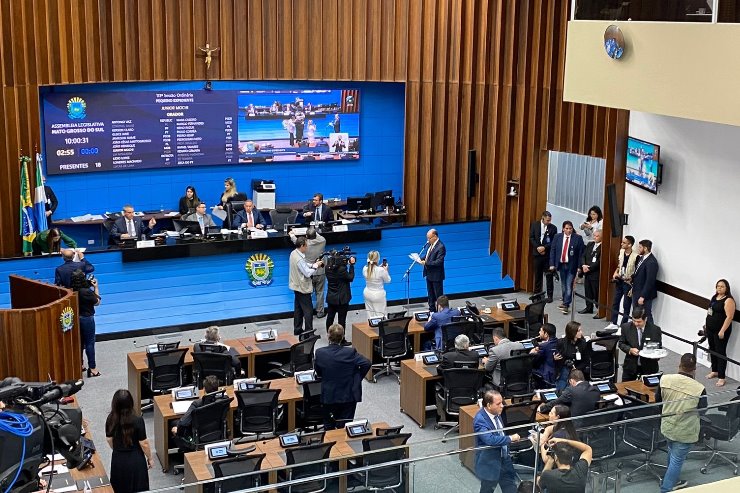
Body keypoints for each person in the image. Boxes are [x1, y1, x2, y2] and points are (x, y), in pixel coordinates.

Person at [657, 353, 707, 492]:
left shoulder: (665, 379)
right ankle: (666, 488)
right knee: (677, 460)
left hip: (667, 425)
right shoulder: (699, 388)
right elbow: (703, 410)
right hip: (685, 431)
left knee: (672, 453)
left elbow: (658, 401)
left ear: (679, 364)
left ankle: (674, 480)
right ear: (694, 368)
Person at [314, 324, 371, 429]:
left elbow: (318, 372)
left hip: (329, 396)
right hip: (348, 396)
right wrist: (357, 378)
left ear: (328, 336)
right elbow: (366, 363)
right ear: (342, 336)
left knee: (328, 426)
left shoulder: (320, 353)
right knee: (344, 427)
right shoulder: (350, 352)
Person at [473, 390, 521, 493]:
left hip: (505, 458)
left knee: (510, 487)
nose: (502, 406)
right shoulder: (480, 420)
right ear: (489, 405)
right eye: (498, 404)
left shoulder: (496, 412)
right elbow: (489, 440)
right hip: (490, 462)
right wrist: (510, 439)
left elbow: (500, 433)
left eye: (502, 402)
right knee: (487, 490)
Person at [105, 389, 152, 493]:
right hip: (136, 459)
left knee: (119, 487)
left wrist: (117, 448)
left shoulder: (110, 418)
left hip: (118, 459)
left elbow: (109, 439)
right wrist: (150, 458)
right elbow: (144, 443)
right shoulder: (137, 419)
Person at [289, 227, 327, 318]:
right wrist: (313, 229)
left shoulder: (305, 244)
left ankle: (307, 312)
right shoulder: (322, 241)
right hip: (320, 271)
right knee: (320, 292)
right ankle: (320, 312)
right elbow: (316, 234)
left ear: (306, 236)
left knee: (307, 294)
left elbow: (295, 241)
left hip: (308, 272)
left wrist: (291, 234)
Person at [549, 221, 585, 315]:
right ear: (563, 229)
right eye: (567, 228)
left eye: (570, 228)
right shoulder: (557, 237)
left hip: (571, 265)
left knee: (569, 285)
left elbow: (580, 254)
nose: (568, 230)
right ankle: (565, 300)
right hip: (561, 264)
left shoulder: (578, 238)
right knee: (563, 284)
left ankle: (566, 304)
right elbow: (553, 250)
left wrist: (579, 266)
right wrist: (552, 264)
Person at [704, 279, 734, 387]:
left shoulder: (729, 300)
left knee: (720, 352)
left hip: (721, 331)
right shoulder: (714, 297)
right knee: (712, 349)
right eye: (718, 286)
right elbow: (709, 312)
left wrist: (722, 331)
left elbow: (729, 317)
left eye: (722, 286)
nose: (719, 288)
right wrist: (706, 326)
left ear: (726, 288)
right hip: (710, 329)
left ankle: (722, 377)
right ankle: (714, 370)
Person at [70, 269, 101, 377]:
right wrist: (96, 287)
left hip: (75, 319)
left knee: (79, 342)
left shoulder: (71, 290)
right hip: (87, 319)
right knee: (89, 343)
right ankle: (92, 368)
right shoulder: (86, 291)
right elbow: (97, 302)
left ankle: (80, 365)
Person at [618, 306, 662, 381]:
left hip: (649, 367)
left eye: (639, 322)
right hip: (630, 366)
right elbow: (621, 343)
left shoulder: (655, 330)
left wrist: (656, 355)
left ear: (645, 319)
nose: (636, 324)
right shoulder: (626, 327)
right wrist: (630, 349)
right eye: (634, 320)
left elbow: (658, 347)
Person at [289, 237, 322, 336]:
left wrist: (312, 264)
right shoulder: (299, 259)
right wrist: (316, 266)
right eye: (306, 245)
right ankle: (309, 332)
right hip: (303, 288)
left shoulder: (293, 253)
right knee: (308, 311)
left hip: (296, 286)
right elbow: (307, 273)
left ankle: (297, 329)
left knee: (298, 309)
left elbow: (303, 265)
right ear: (302, 245)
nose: (307, 247)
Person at [607, 235, 638, 329]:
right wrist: (615, 273)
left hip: (628, 283)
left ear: (629, 245)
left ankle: (623, 325)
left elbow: (636, 271)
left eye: (624, 243)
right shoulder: (621, 252)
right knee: (615, 301)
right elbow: (619, 265)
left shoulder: (635, 256)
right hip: (619, 280)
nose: (622, 244)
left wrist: (631, 279)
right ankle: (613, 322)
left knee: (626, 305)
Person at [529, 211, 557, 303]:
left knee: (549, 275)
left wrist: (544, 247)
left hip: (547, 255)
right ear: (543, 217)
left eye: (550, 220)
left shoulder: (553, 228)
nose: (548, 222)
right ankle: (537, 294)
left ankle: (550, 295)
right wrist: (538, 248)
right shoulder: (535, 225)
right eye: (547, 220)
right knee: (538, 275)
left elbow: (553, 241)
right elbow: (531, 237)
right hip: (537, 254)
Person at [325, 252, 356, 331]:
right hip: (342, 299)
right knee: (342, 320)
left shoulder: (327, 268)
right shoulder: (342, 270)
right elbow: (350, 278)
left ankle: (330, 336)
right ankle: (341, 340)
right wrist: (351, 265)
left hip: (331, 297)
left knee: (330, 317)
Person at [630, 239, 659, 322]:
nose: (638, 249)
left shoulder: (651, 262)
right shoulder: (641, 258)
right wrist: (632, 277)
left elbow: (650, 281)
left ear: (645, 248)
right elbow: (639, 272)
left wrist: (643, 296)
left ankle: (651, 333)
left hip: (644, 294)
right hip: (636, 290)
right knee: (636, 313)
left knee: (646, 314)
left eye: (640, 247)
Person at [554, 321, 589, 390]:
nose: (581, 332)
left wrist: (576, 368)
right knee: (563, 381)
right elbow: (557, 358)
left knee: (578, 384)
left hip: (578, 368)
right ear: (572, 332)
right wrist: (555, 358)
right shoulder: (561, 342)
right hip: (564, 367)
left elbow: (586, 360)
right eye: (579, 331)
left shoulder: (583, 343)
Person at [418, 229, 446, 312]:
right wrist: (419, 259)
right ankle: (432, 311)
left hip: (436, 275)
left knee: (438, 296)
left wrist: (426, 263)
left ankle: (440, 312)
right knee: (430, 295)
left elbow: (438, 262)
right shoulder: (431, 245)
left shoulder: (441, 247)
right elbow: (428, 256)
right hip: (429, 274)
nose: (428, 240)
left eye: (429, 238)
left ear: (435, 236)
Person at [578, 230, 602, 317]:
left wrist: (589, 268)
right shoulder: (590, 244)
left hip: (595, 273)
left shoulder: (603, 247)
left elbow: (599, 261)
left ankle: (599, 310)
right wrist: (583, 265)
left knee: (596, 292)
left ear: (601, 237)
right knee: (587, 291)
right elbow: (583, 255)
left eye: (597, 236)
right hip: (586, 272)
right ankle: (589, 307)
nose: (594, 237)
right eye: (594, 236)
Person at [362, 251, 391, 318]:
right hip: (378, 295)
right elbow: (388, 280)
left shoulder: (364, 268)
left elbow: (372, 270)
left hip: (367, 293)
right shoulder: (381, 270)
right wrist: (386, 270)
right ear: (377, 259)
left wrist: (380, 268)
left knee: (370, 315)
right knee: (380, 315)